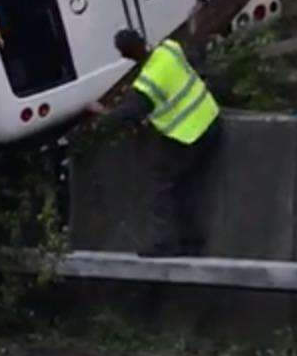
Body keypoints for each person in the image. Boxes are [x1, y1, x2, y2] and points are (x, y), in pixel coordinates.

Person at [88, 30, 223, 258]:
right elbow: (194, 57)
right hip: (211, 121)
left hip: (189, 134)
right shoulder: (169, 48)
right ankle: (191, 243)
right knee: (184, 185)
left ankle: (165, 244)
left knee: (161, 184)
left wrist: (99, 120)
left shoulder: (148, 82)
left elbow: (129, 112)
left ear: (126, 55)